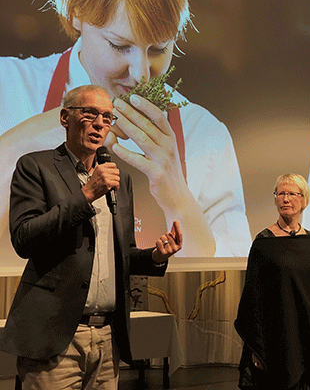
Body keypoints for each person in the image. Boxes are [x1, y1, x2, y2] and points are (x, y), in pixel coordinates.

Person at [0, 0, 251, 259]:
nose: (141, 74)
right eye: (120, 45)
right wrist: (16, 148)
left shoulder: (202, 134)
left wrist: (175, 193)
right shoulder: (8, 87)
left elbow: (225, 281)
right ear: (75, 11)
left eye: (159, 49)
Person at [0, 84, 182, 389]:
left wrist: (154, 256)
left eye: (108, 117)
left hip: (108, 338)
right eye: (90, 113)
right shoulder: (35, 166)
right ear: (64, 118)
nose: (100, 123)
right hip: (55, 338)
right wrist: (87, 195)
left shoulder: (118, 179)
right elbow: (24, 238)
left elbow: (120, 253)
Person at [234, 173, 310, 390]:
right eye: (280, 194)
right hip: (277, 335)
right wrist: (256, 348)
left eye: (291, 194)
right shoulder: (263, 243)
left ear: (304, 200)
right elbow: (253, 297)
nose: (285, 199)